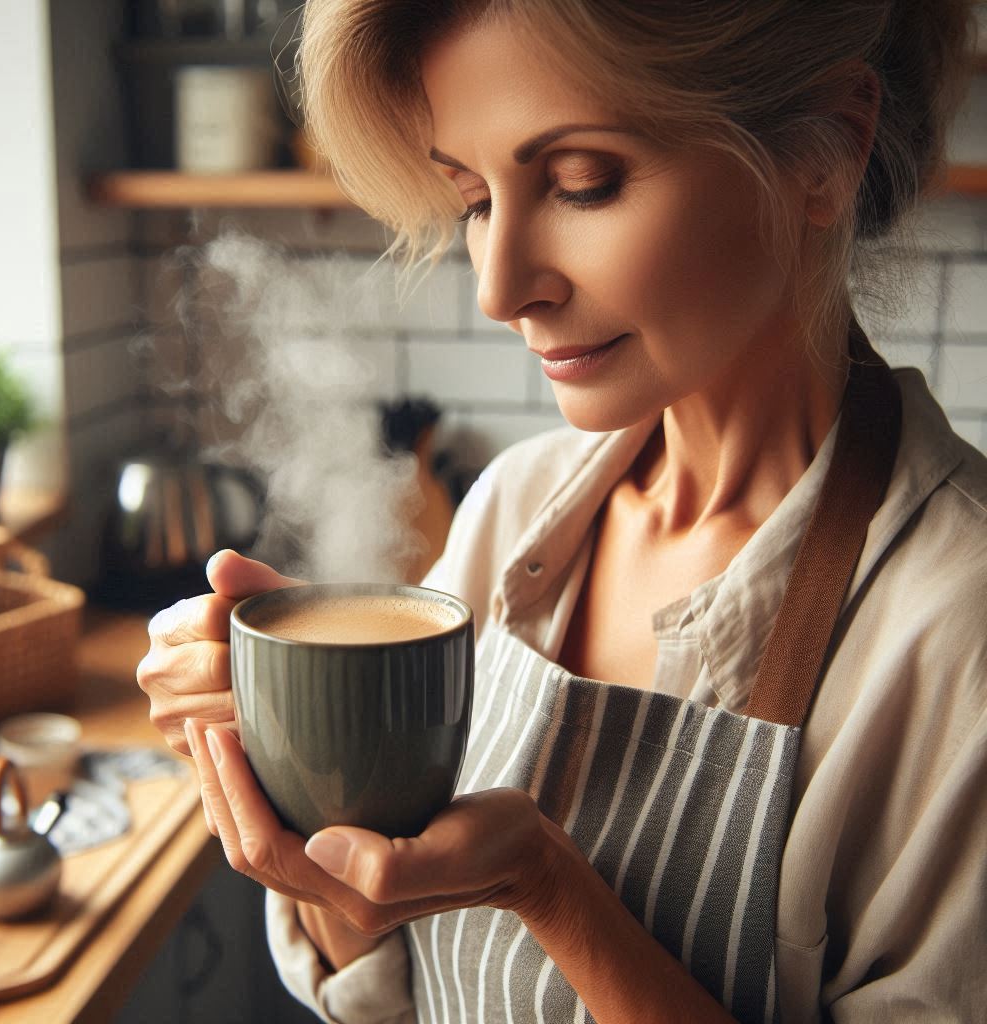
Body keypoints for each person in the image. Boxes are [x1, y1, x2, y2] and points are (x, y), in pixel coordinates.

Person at [137, 1, 986, 1021]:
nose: (498, 287)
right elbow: (392, 986)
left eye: (584, 183)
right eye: (473, 199)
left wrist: (548, 888)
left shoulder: (956, 626)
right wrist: (302, 793)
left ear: (826, 150)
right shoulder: (512, 507)